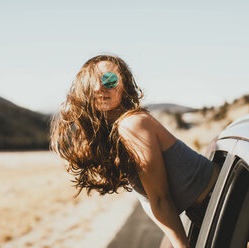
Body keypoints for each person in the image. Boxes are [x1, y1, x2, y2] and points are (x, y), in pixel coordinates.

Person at [50, 54, 220, 248]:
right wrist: (172, 240)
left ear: (124, 86)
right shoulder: (116, 132)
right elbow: (150, 200)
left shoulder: (132, 124)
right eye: (93, 81)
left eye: (109, 79)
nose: (99, 87)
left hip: (226, 200)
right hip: (207, 208)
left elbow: (160, 198)